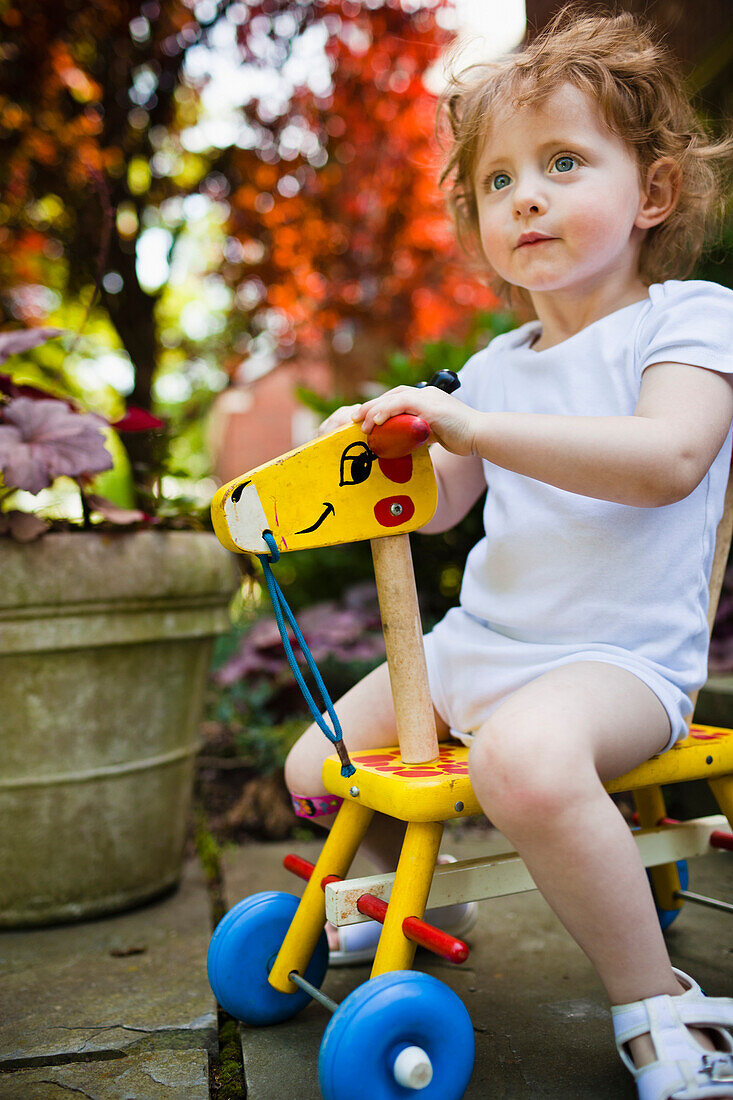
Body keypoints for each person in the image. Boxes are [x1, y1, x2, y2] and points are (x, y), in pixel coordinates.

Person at [284, 5, 733, 1096]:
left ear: (653, 196)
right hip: (478, 645)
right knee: (318, 768)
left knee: (521, 760)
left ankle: (660, 1001)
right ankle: (432, 907)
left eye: (563, 162)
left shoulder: (688, 319)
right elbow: (440, 507)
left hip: (614, 663)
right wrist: (392, 456)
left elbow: (668, 456)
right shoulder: (492, 368)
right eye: (497, 181)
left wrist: (473, 428)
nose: (524, 195)